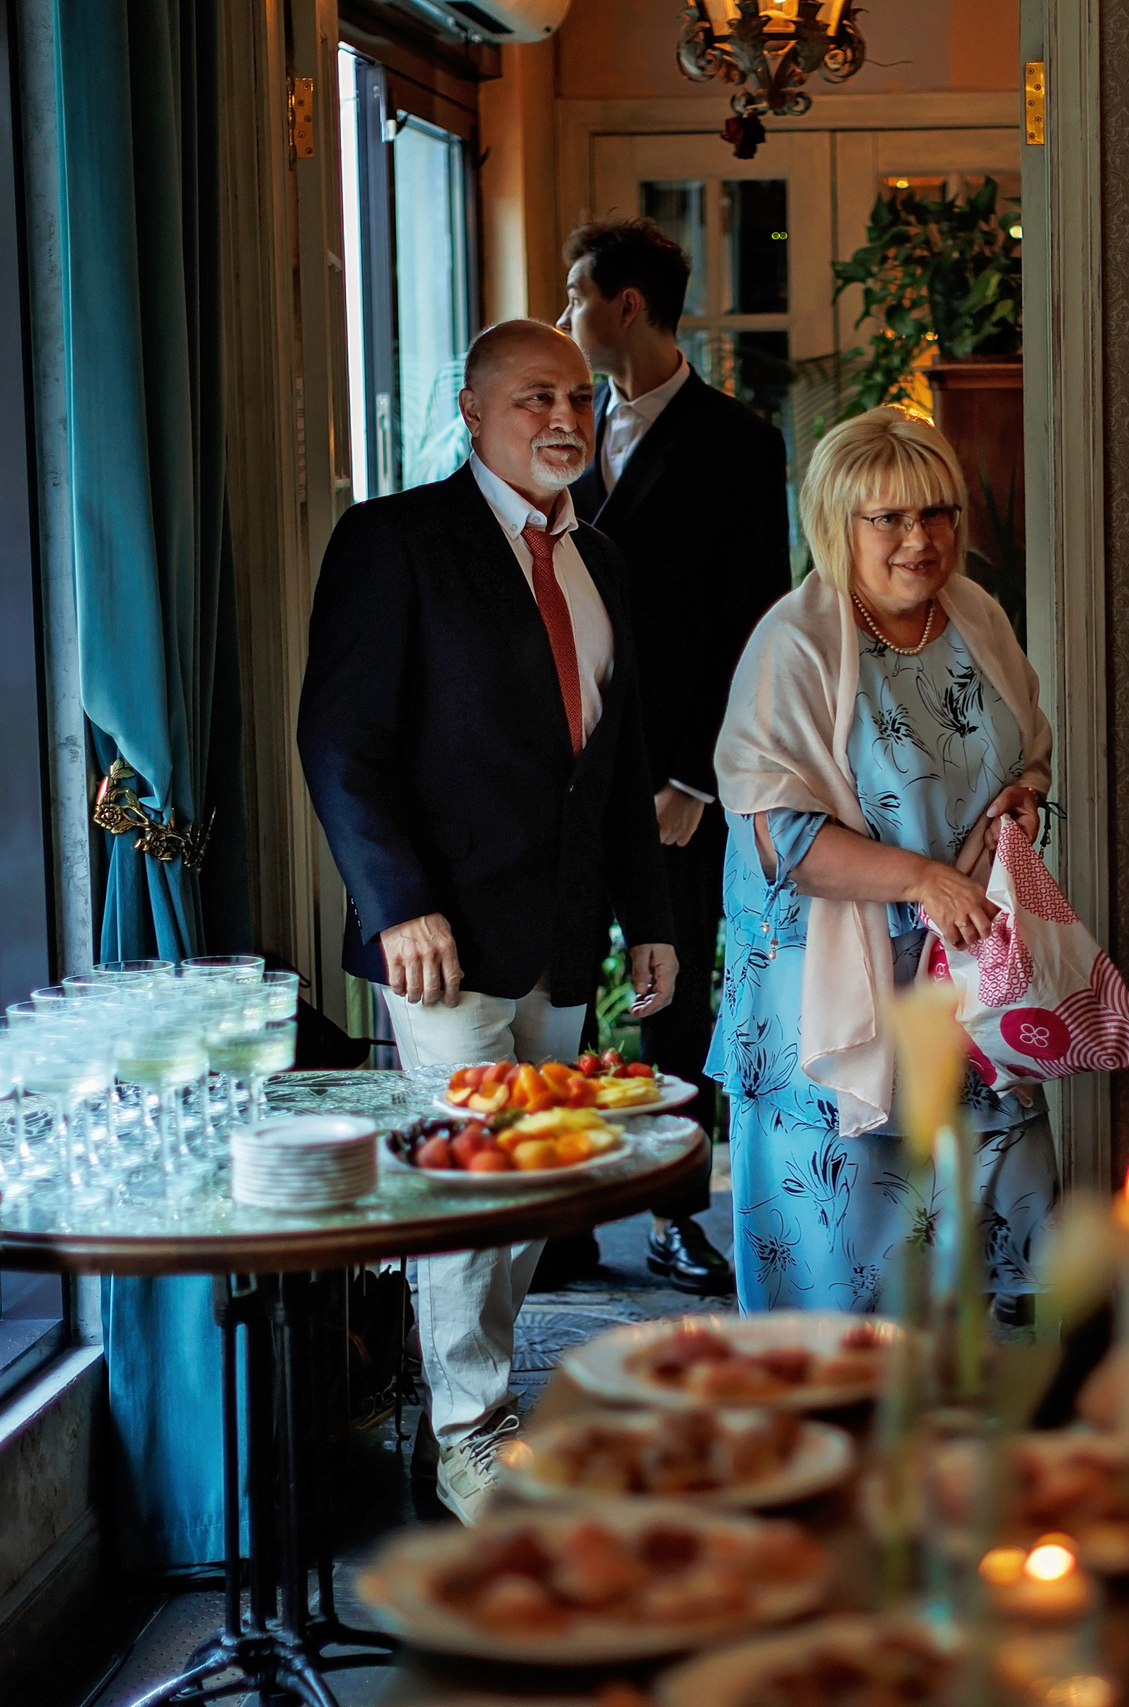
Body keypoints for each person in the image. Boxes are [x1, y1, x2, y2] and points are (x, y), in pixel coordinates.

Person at [296, 319, 677, 1518]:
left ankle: (472, 1400)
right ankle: (466, 1428)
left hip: (562, 932)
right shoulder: (393, 542)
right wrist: (397, 905)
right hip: (441, 941)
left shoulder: (602, 563)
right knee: (471, 1186)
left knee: (527, 1183)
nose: (562, 418)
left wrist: (647, 917)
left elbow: (613, 771)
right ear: (471, 411)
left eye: (578, 395)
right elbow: (341, 744)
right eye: (530, 399)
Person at [708, 406, 1055, 1315]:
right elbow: (781, 840)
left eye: (936, 512)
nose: (919, 539)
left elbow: (1024, 751)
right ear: (838, 525)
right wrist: (923, 880)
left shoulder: (976, 614)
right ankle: (839, 1434)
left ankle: (968, 1426)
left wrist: (1022, 798)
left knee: (979, 1228)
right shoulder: (796, 644)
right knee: (849, 1249)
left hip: (962, 970)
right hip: (829, 990)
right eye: (889, 519)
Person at [556, 217, 791, 1297]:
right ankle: (555, 1214)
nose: (565, 318)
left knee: (677, 1002)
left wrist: (697, 776)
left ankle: (674, 1218)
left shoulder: (738, 442)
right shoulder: (556, 432)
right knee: (555, 988)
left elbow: (753, 618)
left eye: (575, 296)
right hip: (562, 775)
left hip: (673, 785)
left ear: (627, 306)